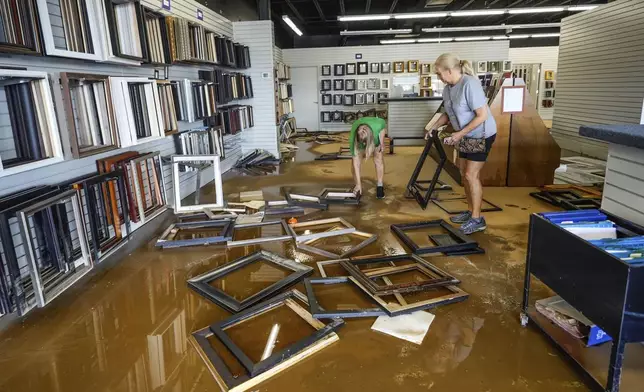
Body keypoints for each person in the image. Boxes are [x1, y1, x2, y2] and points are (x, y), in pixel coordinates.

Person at [425, 53, 497, 234]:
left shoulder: (469, 84)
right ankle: (470, 211)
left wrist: (459, 134)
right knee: (463, 174)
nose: (438, 77)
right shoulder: (449, 88)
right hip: (465, 135)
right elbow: (447, 114)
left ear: (449, 70)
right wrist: (432, 127)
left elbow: (482, 116)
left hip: (480, 134)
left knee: (471, 175)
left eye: (439, 73)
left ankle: (477, 219)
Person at [349, 116, 387, 199]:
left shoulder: (378, 126)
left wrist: (382, 142)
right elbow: (356, 164)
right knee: (354, 162)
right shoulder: (353, 139)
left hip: (375, 134)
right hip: (361, 138)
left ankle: (380, 186)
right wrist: (359, 184)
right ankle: (357, 186)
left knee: (378, 158)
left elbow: (383, 126)